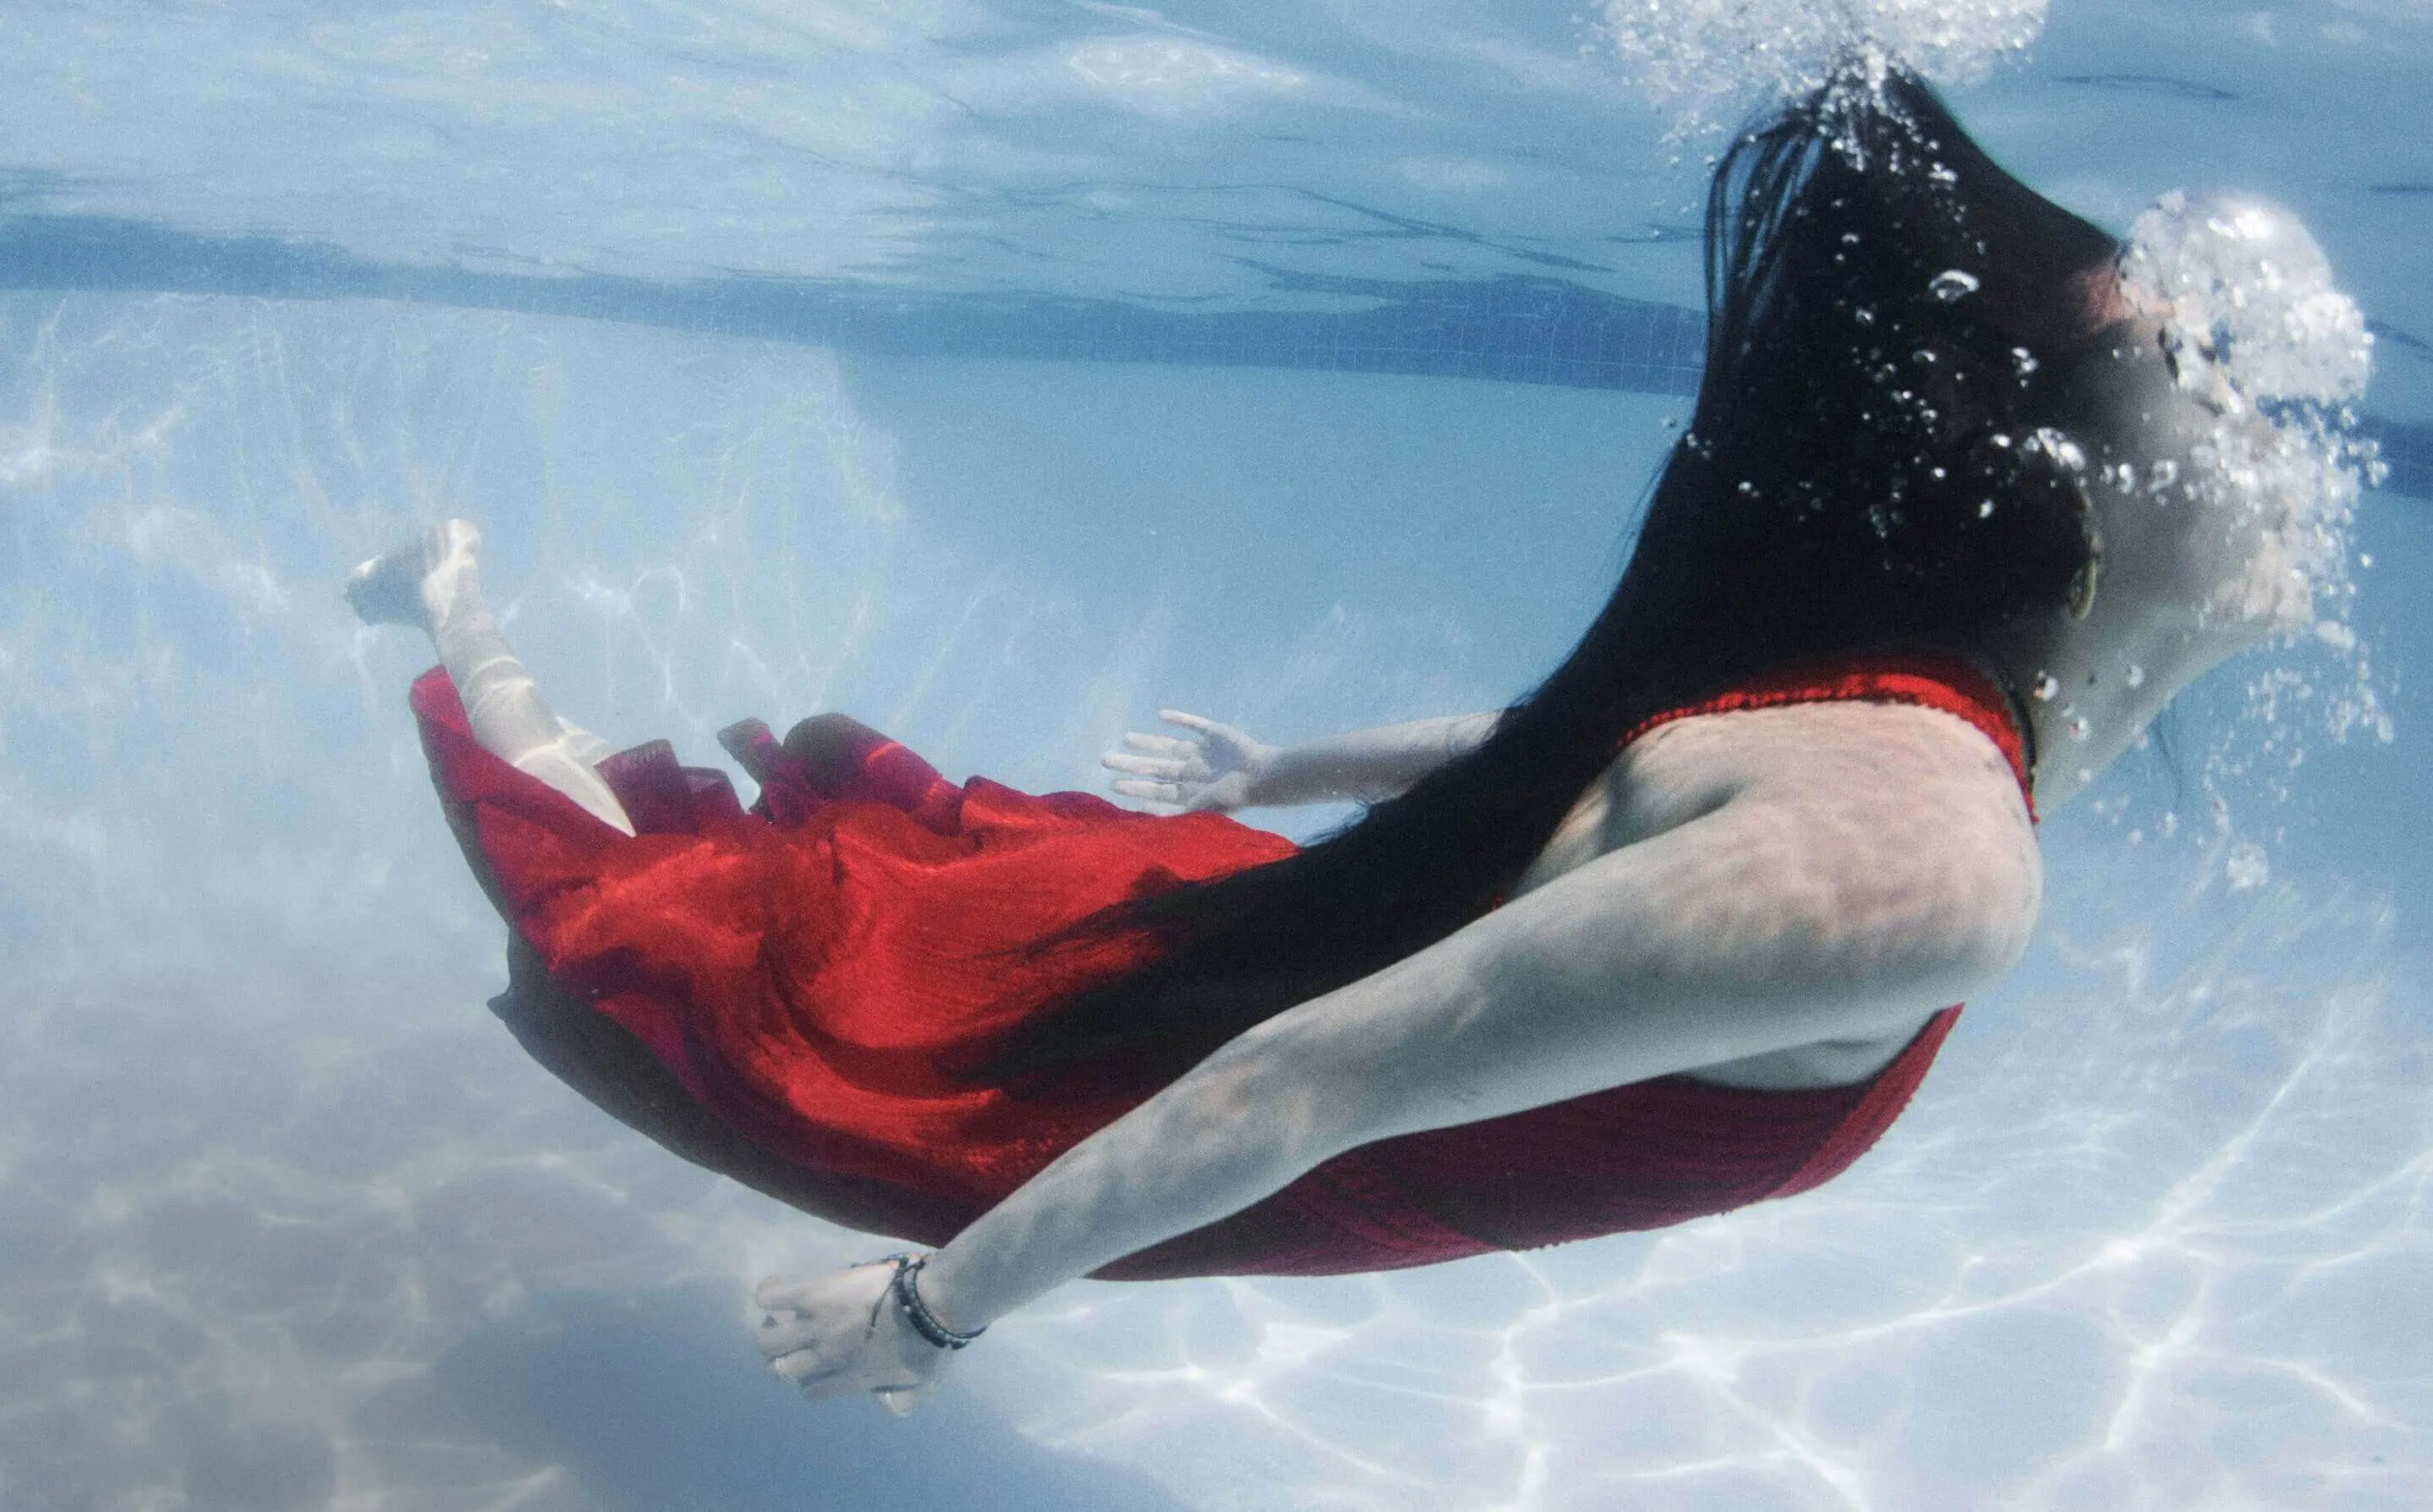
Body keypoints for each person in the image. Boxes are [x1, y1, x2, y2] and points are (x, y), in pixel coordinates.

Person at [348, 62, 2370, 1412]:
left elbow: (1598, 742)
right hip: (1179, 1088)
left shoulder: (1917, 742)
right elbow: (1305, 1080)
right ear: (2047, 502)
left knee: (718, 896)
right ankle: (453, 591)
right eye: (2194, 375)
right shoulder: (1924, 861)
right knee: (649, 923)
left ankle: (456, 597)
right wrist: (929, 1312)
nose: (2265, 417)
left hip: (1270, 954)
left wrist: (1279, 775)